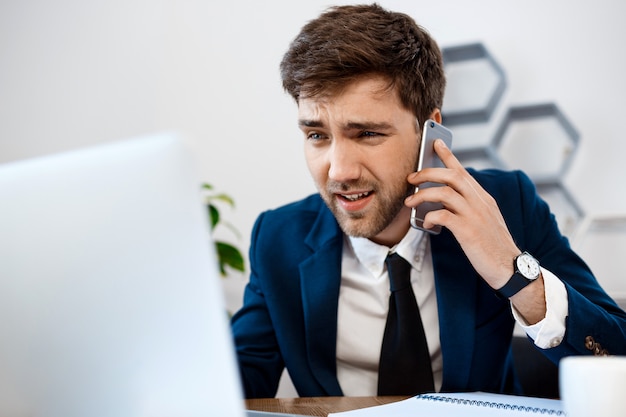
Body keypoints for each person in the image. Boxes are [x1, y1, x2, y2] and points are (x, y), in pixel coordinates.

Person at [230, 3, 626, 398]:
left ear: (429, 132)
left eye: (367, 133)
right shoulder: (277, 238)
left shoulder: (507, 204)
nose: (338, 172)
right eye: (317, 135)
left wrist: (515, 274)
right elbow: (229, 386)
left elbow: (617, 361)